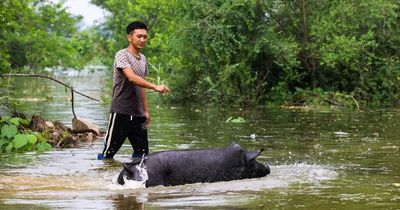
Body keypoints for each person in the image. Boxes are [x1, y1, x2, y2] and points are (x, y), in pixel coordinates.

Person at [98, 21, 170, 160]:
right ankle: (102, 177)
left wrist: (146, 111)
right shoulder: (121, 55)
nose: (142, 39)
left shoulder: (143, 59)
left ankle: (136, 180)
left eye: (145, 37)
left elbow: (140, 86)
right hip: (121, 112)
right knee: (108, 154)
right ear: (129, 37)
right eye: (139, 36)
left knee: (142, 155)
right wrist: (155, 87)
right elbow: (131, 78)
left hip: (138, 115)